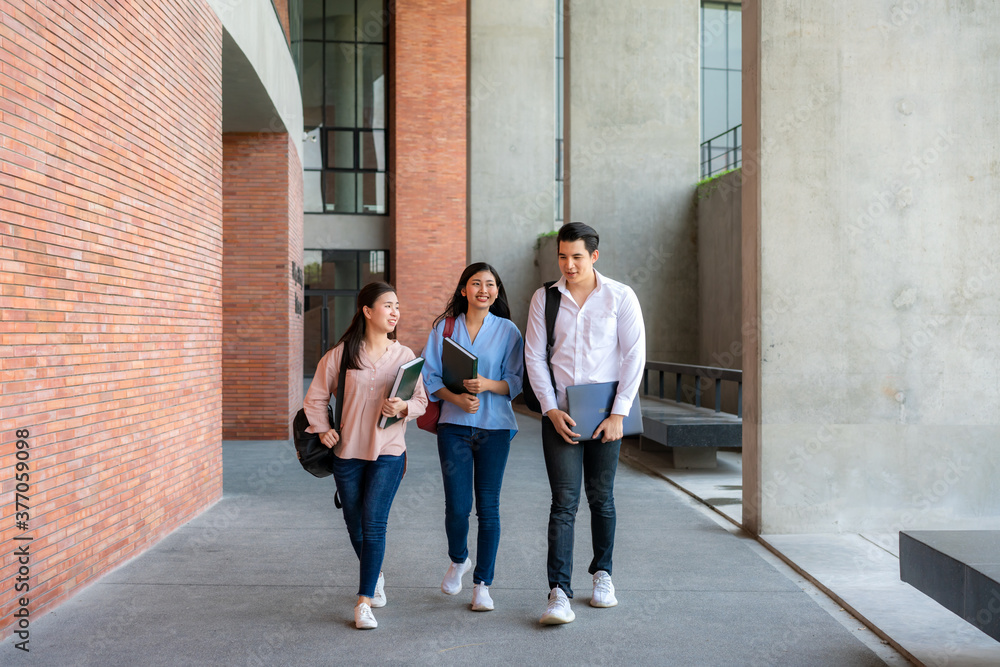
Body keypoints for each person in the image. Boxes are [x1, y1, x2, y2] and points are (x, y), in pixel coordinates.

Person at [524, 222, 645, 625]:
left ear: (594, 256)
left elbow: (633, 356)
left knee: (601, 497)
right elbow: (535, 357)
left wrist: (618, 414)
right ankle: (558, 592)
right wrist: (549, 408)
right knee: (563, 503)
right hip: (560, 413)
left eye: (576, 256)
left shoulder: (620, 296)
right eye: (562, 256)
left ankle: (603, 576)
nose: (569, 264)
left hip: (605, 414)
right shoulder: (545, 298)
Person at [304, 281, 427, 630]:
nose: (395, 312)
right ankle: (376, 576)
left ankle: (364, 600)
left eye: (397, 306)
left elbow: (422, 401)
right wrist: (322, 427)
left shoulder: (404, 356)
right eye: (388, 306)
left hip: (389, 452)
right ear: (367, 311)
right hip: (347, 454)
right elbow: (314, 398)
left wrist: (404, 406)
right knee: (354, 525)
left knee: (373, 524)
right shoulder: (341, 355)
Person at [422, 262, 524, 612]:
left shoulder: (509, 330)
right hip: (453, 426)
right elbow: (430, 376)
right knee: (457, 506)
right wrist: (456, 398)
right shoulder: (444, 328)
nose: (484, 289)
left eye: (491, 284)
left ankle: (483, 584)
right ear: (463, 289)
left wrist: (487, 386)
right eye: (476, 283)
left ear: (497, 291)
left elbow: (516, 380)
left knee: (489, 508)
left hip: (495, 428)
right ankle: (459, 558)